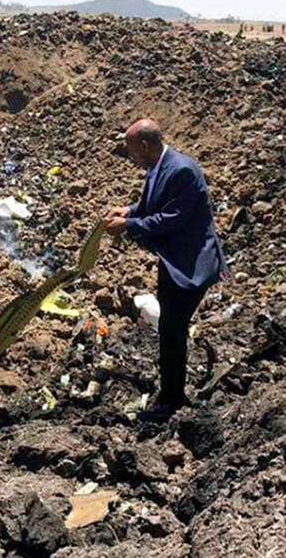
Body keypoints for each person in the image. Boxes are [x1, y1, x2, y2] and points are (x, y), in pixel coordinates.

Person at [104, 119, 226, 421]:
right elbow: (154, 203)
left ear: (145, 145)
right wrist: (130, 211)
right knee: (171, 330)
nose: (130, 157)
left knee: (172, 329)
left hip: (190, 265)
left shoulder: (181, 169)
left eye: (132, 150)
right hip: (173, 261)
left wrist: (129, 226)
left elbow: (170, 218)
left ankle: (170, 402)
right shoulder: (162, 166)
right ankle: (172, 396)